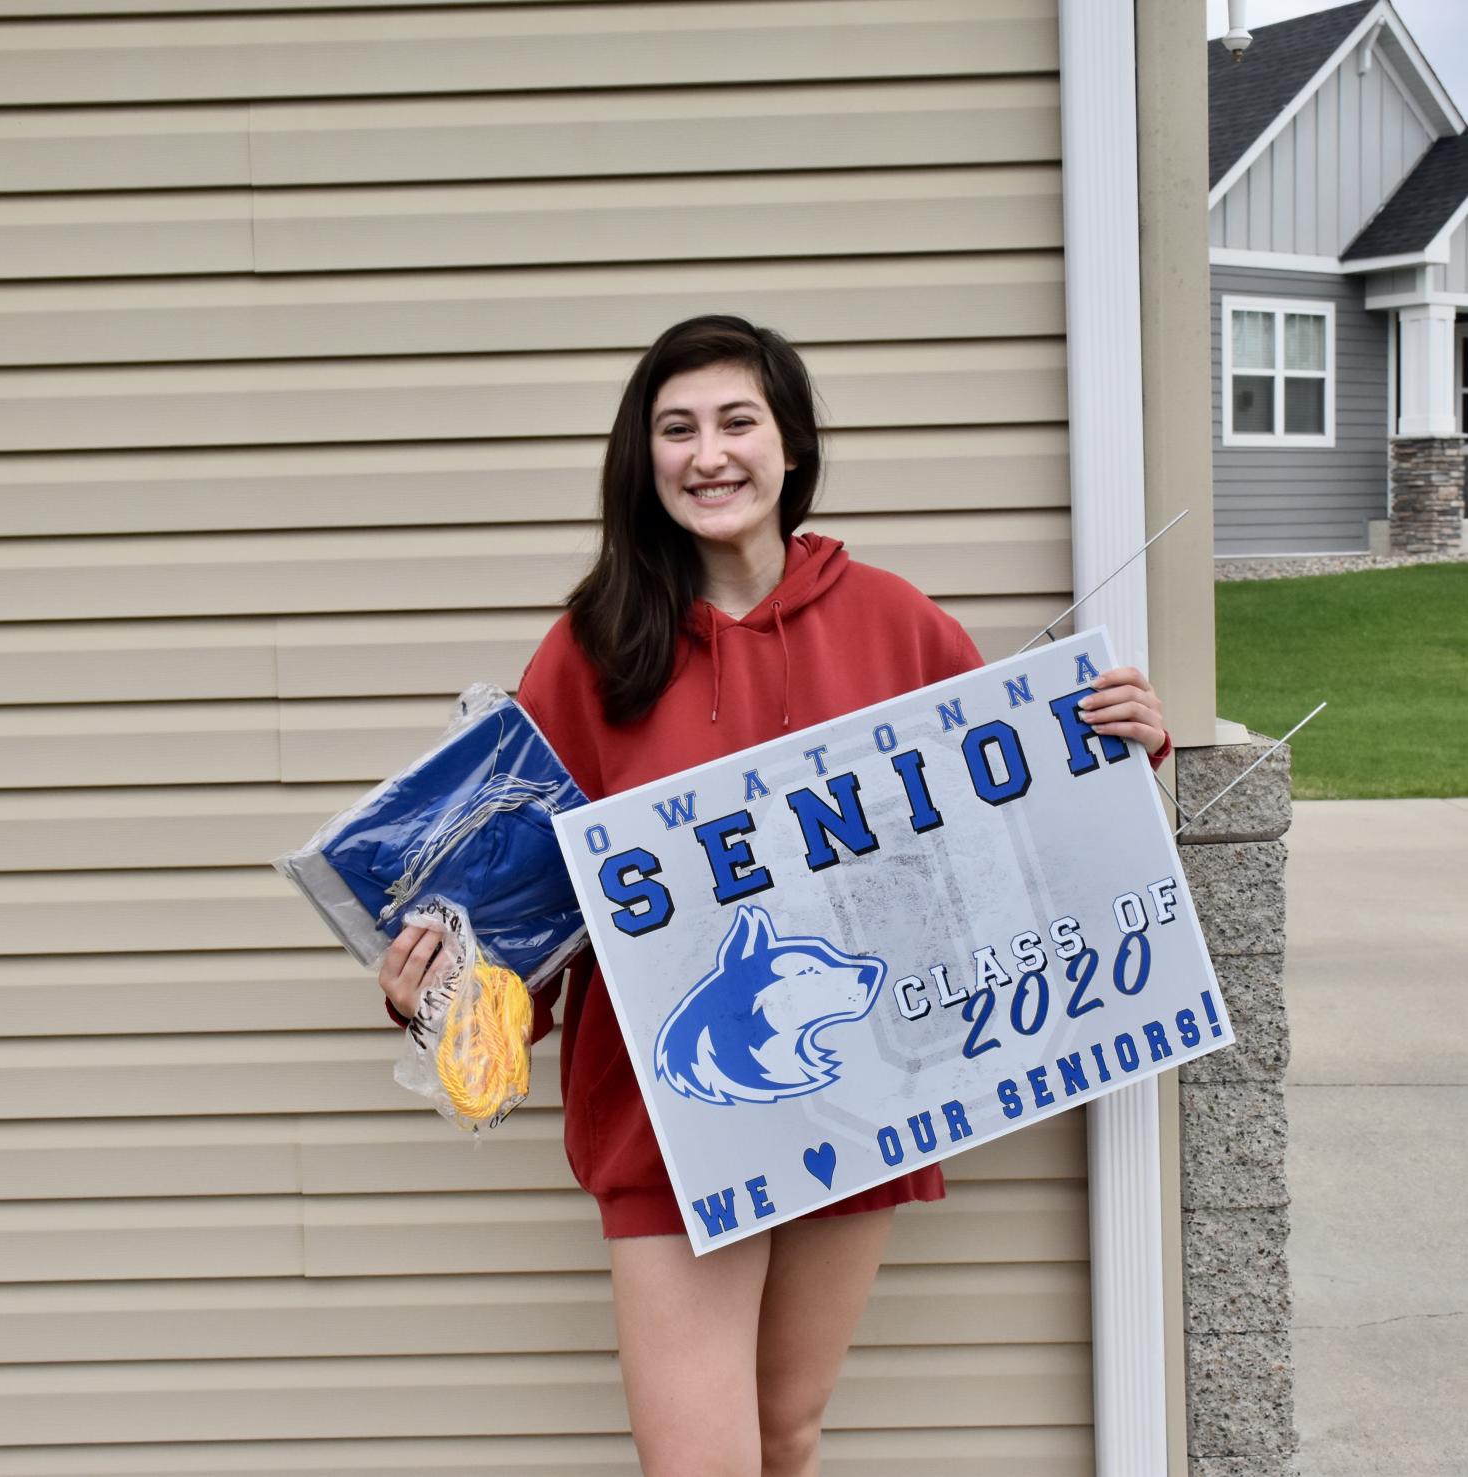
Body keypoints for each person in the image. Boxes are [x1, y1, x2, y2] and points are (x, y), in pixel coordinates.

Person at [377, 315, 1170, 1476]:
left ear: (788, 444)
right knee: (701, 1463)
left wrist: (1121, 749)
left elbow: (1014, 818)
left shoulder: (892, 620)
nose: (709, 453)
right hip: (667, 1119)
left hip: (863, 1085)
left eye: (736, 421)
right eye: (676, 428)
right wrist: (441, 1003)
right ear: (643, 462)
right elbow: (522, 934)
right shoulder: (589, 653)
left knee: (787, 1434)